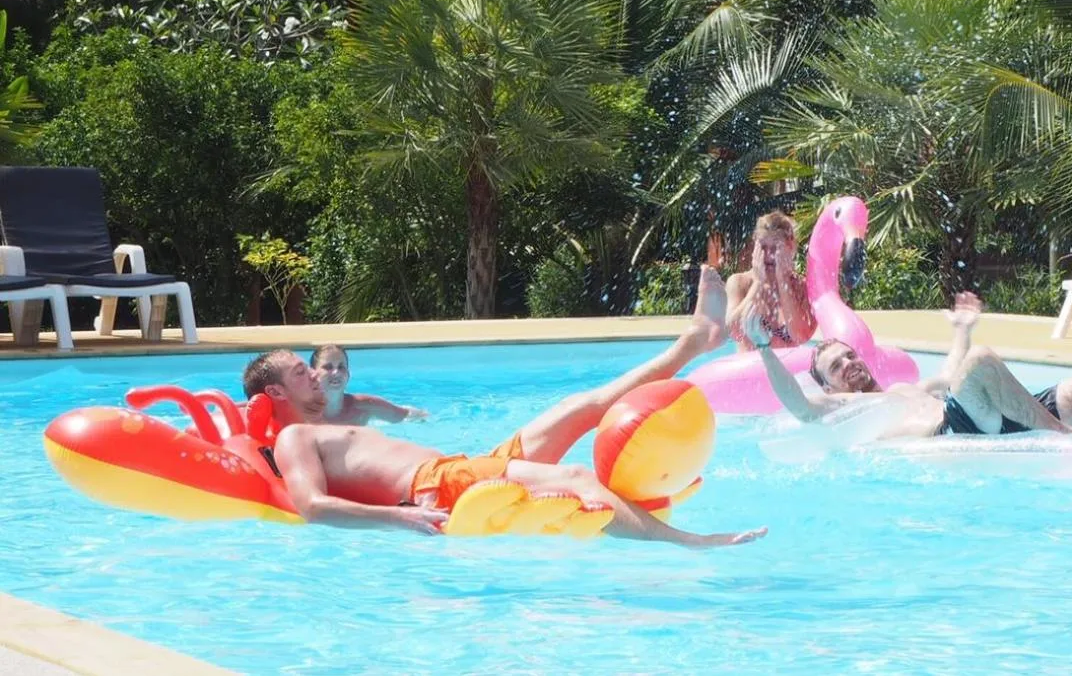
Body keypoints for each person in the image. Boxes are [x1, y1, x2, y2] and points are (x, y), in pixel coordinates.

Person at [242, 266, 767, 547]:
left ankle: (696, 342)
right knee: (582, 479)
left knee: (581, 406)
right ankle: (693, 542)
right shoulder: (295, 438)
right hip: (440, 486)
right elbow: (312, 507)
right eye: (299, 372)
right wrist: (400, 521)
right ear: (277, 395)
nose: (314, 372)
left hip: (462, 466)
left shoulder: (340, 415)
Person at [749, 292, 1072, 440]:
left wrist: (962, 329)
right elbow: (800, 407)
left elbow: (949, 375)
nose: (850, 363)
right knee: (982, 359)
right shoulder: (843, 410)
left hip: (994, 411)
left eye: (850, 355)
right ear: (830, 386)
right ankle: (1068, 435)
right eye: (837, 366)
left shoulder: (900, 391)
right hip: (957, 425)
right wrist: (765, 347)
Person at [725, 210, 816, 350]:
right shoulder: (739, 283)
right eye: (763, 247)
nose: (768, 255)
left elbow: (801, 336)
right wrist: (758, 283)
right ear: (755, 247)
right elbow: (734, 332)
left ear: (790, 247)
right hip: (752, 369)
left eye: (775, 248)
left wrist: (783, 281)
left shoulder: (802, 287)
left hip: (786, 370)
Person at [311, 344, 429, 425]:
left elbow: (408, 415)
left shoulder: (363, 407)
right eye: (328, 367)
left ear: (348, 375)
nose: (336, 372)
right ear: (313, 375)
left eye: (341, 367)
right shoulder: (302, 412)